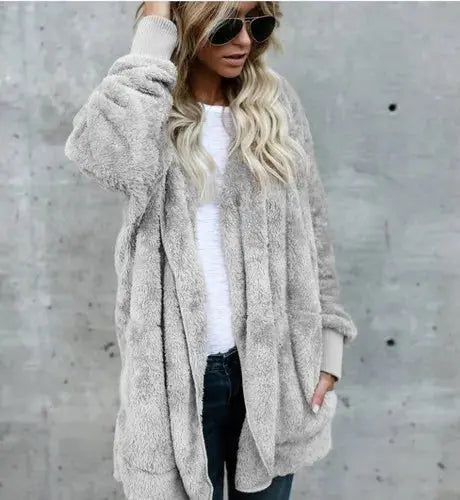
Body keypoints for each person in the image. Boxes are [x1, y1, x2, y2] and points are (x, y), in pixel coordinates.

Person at [64, 1, 358, 499]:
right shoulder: (149, 109)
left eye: (258, 23)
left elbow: (313, 230)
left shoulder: (275, 103)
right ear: (188, 24)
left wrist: (327, 348)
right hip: (177, 379)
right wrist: (155, 24)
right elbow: (108, 159)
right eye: (225, 27)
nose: (244, 40)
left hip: (273, 372)